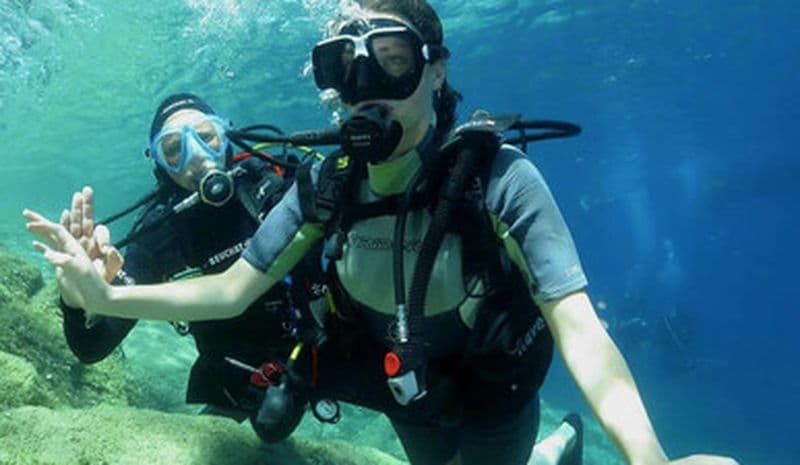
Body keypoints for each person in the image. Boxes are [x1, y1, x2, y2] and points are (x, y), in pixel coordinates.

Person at [24, 2, 740, 465]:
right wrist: (102, 297)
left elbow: (579, 326)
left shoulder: (499, 179)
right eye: (346, 68)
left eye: (393, 62)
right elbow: (229, 290)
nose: (367, 88)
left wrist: (649, 458)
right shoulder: (324, 183)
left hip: (492, 394)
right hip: (407, 394)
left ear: (436, 71)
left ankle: (556, 448)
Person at [54, 93, 329, 441]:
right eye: (174, 148)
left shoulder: (276, 186)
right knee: (270, 427)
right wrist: (75, 299)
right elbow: (90, 347)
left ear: (226, 136)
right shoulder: (161, 234)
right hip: (243, 372)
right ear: (160, 165)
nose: (196, 155)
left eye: (206, 135)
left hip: (327, 344)